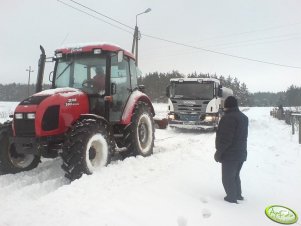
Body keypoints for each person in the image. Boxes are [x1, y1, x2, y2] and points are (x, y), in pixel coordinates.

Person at [214, 96, 249, 204]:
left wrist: (218, 152)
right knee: (235, 175)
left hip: (230, 154)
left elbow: (225, 139)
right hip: (241, 153)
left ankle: (231, 198)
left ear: (227, 105)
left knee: (228, 178)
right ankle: (238, 195)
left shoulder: (228, 118)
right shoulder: (243, 117)